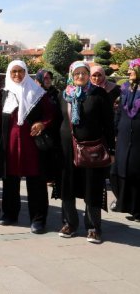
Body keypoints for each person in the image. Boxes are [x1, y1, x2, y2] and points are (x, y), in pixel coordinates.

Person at [58, 61, 115, 243]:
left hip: (92, 149)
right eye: (77, 74)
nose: (80, 77)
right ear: (71, 75)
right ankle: (70, 223)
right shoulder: (64, 95)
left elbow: (108, 124)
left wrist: (111, 150)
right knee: (67, 187)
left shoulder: (98, 94)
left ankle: (93, 227)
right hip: (67, 150)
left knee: (92, 188)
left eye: (84, 73)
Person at [0, 60, 54, 233]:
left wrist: (42, 124)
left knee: (36, 182)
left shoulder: (37, 92)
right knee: (10, 181)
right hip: (10, 145)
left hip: (32, 145)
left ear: (26, 72)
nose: (17, 75)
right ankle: (10, 214)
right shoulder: (4, 93)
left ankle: (38, 219)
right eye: (13, 72)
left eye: (20, 71)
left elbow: (51, 114)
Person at [110, 58, 140, 221]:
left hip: (137, 139)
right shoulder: (126, 89)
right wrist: (115, 130)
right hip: (123, 136)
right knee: (118, 171)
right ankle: (125, 203)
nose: (128, 72)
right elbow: (119, 112)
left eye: (132, 69)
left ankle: (136, 209)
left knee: (135, 172)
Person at [35, 69, 64, 198]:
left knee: (52, 156)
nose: (47, 80)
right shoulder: (35, 93)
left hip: (54, 131)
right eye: (45, 78)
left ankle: (51, 178)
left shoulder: (55, 93)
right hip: (39, 131)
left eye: (49, 78)